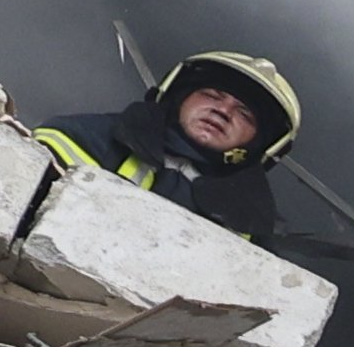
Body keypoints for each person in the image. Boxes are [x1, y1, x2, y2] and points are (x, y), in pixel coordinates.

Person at [35, 46, 307, 247]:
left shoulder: (253, 229)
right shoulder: (79, 138)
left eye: (244, 114)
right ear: (178, 98)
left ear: (260, 145)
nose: (223, 111)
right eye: (211, 95)